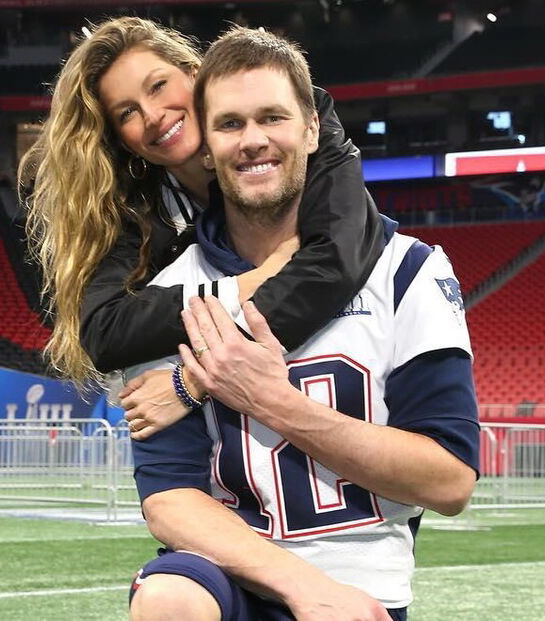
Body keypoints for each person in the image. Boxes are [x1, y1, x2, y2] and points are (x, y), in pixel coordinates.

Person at [126, 26, 479, 620]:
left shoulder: (407, 269)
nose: (254, 140)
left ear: (312, 128)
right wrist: (301, 586)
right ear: (205, 149)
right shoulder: (169, 292)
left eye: (273, 117)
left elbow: (449, 481)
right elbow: (167, 497)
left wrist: (273, 401)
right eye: (230, 124)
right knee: (169, 599)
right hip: (230, 569)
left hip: (364, 587)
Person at [17, 17, 387, 433]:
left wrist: (192, 381)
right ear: (121, 138)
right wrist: (253, 281)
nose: (154, 115)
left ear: (194, 75)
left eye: (158, 86)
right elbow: (106, 332)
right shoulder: (131, 206)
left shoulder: (299, 116)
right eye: (127, 113)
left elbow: (338, 259)